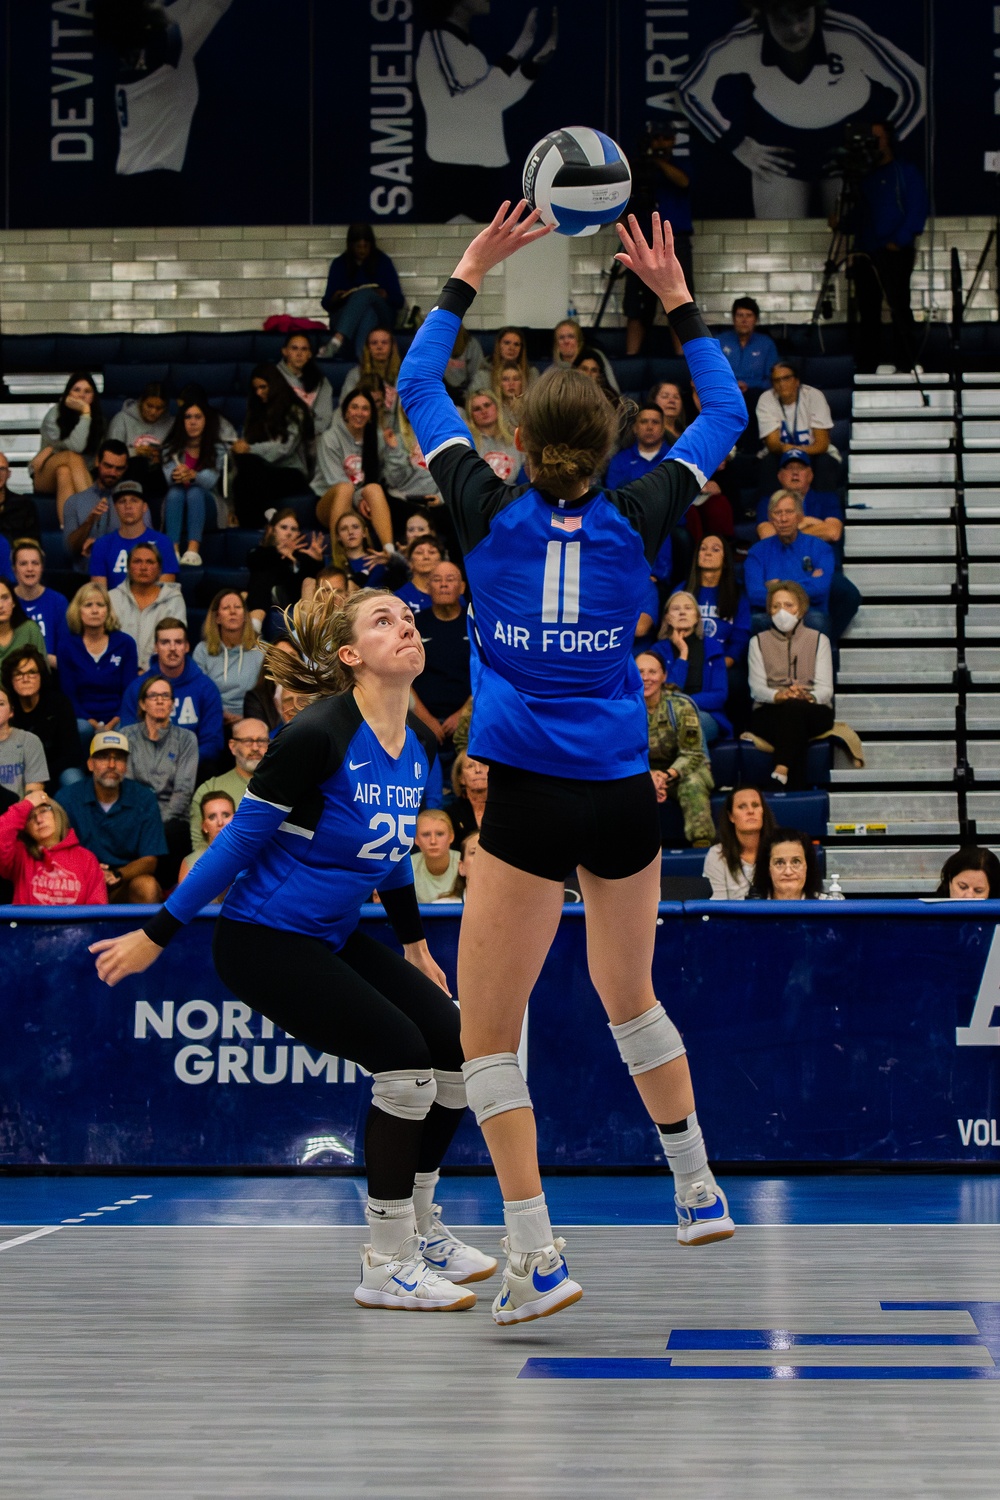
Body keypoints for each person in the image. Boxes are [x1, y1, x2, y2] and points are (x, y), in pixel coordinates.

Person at [397, 203, 746, 1322]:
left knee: (484, 1035)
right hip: (617, 796)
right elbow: (728, 408)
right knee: (628, 997)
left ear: (514, 440)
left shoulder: (482, 510)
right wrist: (675, 295)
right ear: (606, 447)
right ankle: (694, 1186)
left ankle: (538, 1254)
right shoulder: (641, 512)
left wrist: (467, 272)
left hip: (531, 799)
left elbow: (413, 391)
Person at [91, 587, 496, 1311]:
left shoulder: (423, 746)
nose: (405, 626)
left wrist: (414, 946)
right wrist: (159, 933)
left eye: (408, 619)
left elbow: (391, 852)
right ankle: (387, 1262)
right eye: (384, 621)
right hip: (263, 943)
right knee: (404, 1062)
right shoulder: (316, 734)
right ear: (350, 656)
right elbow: (239, 841)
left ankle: (425, 1230)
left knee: (452, 1045)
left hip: (335, 934)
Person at [679, 1, 925, 219]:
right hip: (780, 157)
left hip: (845, 154)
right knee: (776, 248)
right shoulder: (745, 39)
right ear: (764, 14)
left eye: (802, 15)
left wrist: (879, 149)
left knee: (852, 241)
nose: (797, 28)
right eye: (784, 18)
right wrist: (736, 144)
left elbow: (916, 84)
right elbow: (688, 92)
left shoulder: (844, 33)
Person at [93, 0, 233, 177]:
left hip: (138, 181)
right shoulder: (166, 49)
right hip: (152, 182)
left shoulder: (141, 47)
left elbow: (175, 13)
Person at [843, 120, 929, 374]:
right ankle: (868, 365)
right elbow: (859, 215)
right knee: (868, 312)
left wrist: (898, 241)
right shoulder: (864, 177)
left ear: (888, 140)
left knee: (899, 307)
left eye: (877, 139)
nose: (873, 145)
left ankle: (906, 363)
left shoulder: (904, 171)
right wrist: (843, 223)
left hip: (894, 252)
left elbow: (917, 208)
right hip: (865, 252)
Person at [757, 449, 860, 640]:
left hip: (822, 569)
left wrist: (789, 530)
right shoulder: (767, 502)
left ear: (810, 475)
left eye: (801, 468)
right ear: (780, 476)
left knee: (848, 594)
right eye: (789, 469)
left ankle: (824, 641)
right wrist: (810, 523)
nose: (795, 473)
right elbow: (767, 535)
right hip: (783, 570)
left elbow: (833, 532)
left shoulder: (827, 499)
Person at [57, 729, 165, 903]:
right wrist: (89, 870)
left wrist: (117, 874)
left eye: (119, 758)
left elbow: (150, 860)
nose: (112, 764)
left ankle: (143, 932)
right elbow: (55, 853)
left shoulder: (144, 798)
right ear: (90, 764)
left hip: (122, 881)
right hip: (78, 881)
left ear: (126, 765)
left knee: (148, 886)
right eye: (103, 757)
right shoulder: (67, 798)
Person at [748, 580, 834, 787]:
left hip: (812, 709)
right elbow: (756, 689)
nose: (782, 612)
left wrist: (809, 696)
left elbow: (825, 689)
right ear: (769, 610)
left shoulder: (819, 640)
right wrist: (779, 696)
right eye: (776, 606)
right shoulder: (757, 642)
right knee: (792, 716)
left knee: (795, 711)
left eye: (789, 605)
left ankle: (781, 769)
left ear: (801, 609)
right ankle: (798, 787)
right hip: (770, 710)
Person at [313, 388, 419, 550]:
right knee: (345, 488)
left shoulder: (376, 438)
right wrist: (359, 499)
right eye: (354, 407)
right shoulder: (330, 438)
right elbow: (334, 481)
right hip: (329, 502)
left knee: (374, 488)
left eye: (365, 408)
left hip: (361, 503)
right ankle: (338, 555)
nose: (359, 413)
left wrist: (393, 450)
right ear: (345, 412)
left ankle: (389, 552)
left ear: (370, 415)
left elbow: (389, 478)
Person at [625, 120, 694, 355]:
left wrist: (658, 163)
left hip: (675, 241)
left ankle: (680, 359)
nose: (661, 143)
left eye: (666, 138)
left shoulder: (679, 164)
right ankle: (631, 360)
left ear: (673, 140)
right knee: (636, 306)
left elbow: (684, 182)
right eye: (657, 139)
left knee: (678, 302)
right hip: (642, 243)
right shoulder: (639, 168)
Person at [119, 619, 225, 774]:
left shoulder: (206, 687)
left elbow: (213, 742)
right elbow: (128, 736)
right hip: (147, 767)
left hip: (192, 765)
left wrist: (180, 760)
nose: (172, 648)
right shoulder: (138, 688)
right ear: (156, 647)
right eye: (165, 642)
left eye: (178, 642)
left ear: (187, 646)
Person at [121, 674, 198, 882]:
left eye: (165, 696)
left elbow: (183, 790)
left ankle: (168, 890)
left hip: (171, 817)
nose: (160, 700)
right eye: (153, 695)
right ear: (142, 703)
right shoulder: (126, 736)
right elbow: (126, 786)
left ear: (172, 704)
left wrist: (156, 822)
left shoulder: (187, 739)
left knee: (174, 831)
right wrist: (145, 819)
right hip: (136, 812)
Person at [636, 651, 714, 847]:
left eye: (652, 672)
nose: (646, 678)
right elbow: (620, 754)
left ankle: (701, 846)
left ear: (664, 676)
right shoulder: (623, 707)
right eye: (640, 672)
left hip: (679, 771)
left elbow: (693, 753)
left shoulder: (681, 706)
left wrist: (664, 775)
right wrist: (649, 776)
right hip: (640, 774)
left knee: (694, 782)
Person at [745, 489, 835, 637]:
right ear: (770, 518)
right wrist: (804, 584)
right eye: (777, 513)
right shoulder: (757, 552)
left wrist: (777, 585)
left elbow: (820, 589)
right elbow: (755, 594)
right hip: (769, 617)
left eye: (789, 512)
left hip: (808, 615)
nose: (783, 518)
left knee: (817, 621)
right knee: (755, 622)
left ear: (800, 517)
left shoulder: (820, 548)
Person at [230, 366, 312, 528]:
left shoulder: (295, 410)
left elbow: (284, 448)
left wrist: (249, 449)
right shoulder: (255, 412)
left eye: (263, 387)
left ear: (274, 385)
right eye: (256, 389)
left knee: (249, 471)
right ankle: (260, 521)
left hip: (290, 472)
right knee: (243, 475)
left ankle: (258, 523)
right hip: (260, 471)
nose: (259, 393)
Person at [0, 789, 106, 907]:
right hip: (29, 925)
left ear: (57, 813)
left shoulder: (86, 858)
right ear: (25, 829)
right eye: (30, 817)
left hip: (75, 926)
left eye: (44, 811)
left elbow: (97, 910)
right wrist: (26, 805)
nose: (39, 820)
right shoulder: (20, 856)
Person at [61, 582, 140, 738]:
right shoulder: (67, 646)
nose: (95, 610)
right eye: (88, 605)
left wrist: (112, 724)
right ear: (78, 610)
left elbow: (130, 692)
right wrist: (93, 724)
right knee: (81, 729)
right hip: (82, 717)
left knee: (125, 729)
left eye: (100, 605)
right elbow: (69, 696)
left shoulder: (125, 643)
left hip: (118, 717)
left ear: (108, 610)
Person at [652, 591, 731, 743]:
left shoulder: (713, 648)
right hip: (667, 715)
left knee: (691, 724)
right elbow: (666, 693)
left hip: (705, 714)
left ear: (697, 617)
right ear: (668, 618)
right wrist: (683, 654)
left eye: (688, 608)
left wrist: (684, 702)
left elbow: (720, 695)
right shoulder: (658, 651)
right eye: (675, 609)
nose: (682, 612)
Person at [409, 563, 471, 756]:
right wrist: (424, 719)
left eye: (450, 579)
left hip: (470, 723)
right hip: (418, 724)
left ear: (462, 587)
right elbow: (400, 676)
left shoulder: (476, 624)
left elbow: (487, 673)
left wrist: (464, 714)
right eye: (437, 580)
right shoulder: (412, 625)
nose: (443, 585)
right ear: (427, 587)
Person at [2, 647, 84, 791]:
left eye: (32, 673)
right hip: (16, 771)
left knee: (72, 776)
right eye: (18, 674)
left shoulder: (59, 703)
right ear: (10, 679)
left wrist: (40, 774)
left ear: (41, 676)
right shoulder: (5, 707)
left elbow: (73, 754)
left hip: (54, 771)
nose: (26, 679)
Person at [30, 372, 106, 524]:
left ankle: (69, 531)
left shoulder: (99, 421)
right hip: (44, 472)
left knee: (64, 472)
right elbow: (76, 447)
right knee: (72, 457)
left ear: (93, 396)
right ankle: (95, 519)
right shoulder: (54, 415)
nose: (81, 395)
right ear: (67, 393)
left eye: (87, 391)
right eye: (76, 390)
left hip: (78, 473)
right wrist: (85, 413)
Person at [322, 223, 404, 361]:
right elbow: (326, 303)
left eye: (366, 246)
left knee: (366, 293)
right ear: (351, 246)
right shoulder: (339, 264)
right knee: (368, 312)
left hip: (382, 317)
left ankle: (337, 340)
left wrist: (386, 296)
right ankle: (363, 362)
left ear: (371, 245)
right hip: (345, 318)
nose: (362, 250)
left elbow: (399, 301)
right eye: (358, 247)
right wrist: (335, 298)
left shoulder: (383, 262)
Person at [187, 718, 270, 855]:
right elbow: (200, 849)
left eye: (261, 741)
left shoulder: (285, 786)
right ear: (232, 746)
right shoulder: (210, 788)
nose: (255, 748)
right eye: (248, 741)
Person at [756, 362, 840, 493]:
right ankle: (767, 510)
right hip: (780, 454)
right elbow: (773, 444)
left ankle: (827, 510)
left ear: (796, 381)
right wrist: (789, 451)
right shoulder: (766, 399)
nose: (781, 383)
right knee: (768, 462)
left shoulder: (813, 396)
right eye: (776, 380)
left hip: (814, 453)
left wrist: (797, 450)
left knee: (825, 462)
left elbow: (822, 444)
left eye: (786, 378)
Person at [160, 399, 225, 565]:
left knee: (194, 491)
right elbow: (167, 478)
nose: (193, 422)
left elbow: (211, 480)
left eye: (198, 417)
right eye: (188, 417)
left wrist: (193, 476)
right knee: (175, 491)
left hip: (209, 504)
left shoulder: (218, 448)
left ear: (206, 421)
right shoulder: (170, 447)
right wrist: (177, 475)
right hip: (177, 501)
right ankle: (172, 551)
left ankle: (193, 550)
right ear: (182, 422)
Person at [109, 542, 188, 672]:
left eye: (150, 562)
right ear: (128, 567)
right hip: (116, 673)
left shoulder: (174, 601)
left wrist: (148, 672)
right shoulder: (112, 598)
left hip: (159, 675)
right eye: (137, 561)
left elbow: (175, 644)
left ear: (159, 569)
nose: (143, 567)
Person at [193, 591, 265, 729]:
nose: (232, 612)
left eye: (238, 607)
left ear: (245, 616)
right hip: (212, 719)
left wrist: (247, 718)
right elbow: (199, 692)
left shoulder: (261, 651)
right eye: (226, 608)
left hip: (252, 721)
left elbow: (267, 697)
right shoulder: (202, 651)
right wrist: (219, 713)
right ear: (217, 618)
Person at [89, 481, 179, 589]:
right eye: (122, 501)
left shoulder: (163, 542)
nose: (128, 506)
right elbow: (100, 594)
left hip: (154, 605)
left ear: (144, 507)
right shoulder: (102, 544)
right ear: (115, 508)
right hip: (114, 605)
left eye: (134, 500)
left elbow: (166, 591)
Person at [246, 510, 324, 632]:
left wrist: (317, 561)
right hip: (265, 597)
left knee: (309, 581)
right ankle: (255, 624)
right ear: (272, 530)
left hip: (295, 601)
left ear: (298, 533)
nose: (288, 533)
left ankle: (307, 631)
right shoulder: (262, 552)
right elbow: (254, 562)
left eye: (293, 529)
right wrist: (277, 553)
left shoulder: (302, 556)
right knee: (263, 575)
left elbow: (312, 583)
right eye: (284, 527)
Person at [680, 534, 752, 667]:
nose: (707, 553)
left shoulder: (737, 593)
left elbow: (740, 637)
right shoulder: (682, 590)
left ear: (725, 560)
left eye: (715, 549)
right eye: (703, 549)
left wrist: (724, 664)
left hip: (722, 662)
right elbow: (670, 631)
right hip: (686, 661)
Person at [62, 440, 130, 574]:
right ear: (97, 462)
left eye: (119, 468)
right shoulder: (75, 501)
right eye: (108, 466)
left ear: (126, 468)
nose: (112, 472)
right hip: (84, 580)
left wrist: (101, 546)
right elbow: (69, 550)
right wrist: (89, 521)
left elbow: (145, 545)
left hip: (122, 579)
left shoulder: (134, 502)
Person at [703, 785, 777, 899]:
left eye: (755, 805)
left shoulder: (780, 849)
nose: (751, 811)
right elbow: (716, 907)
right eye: (742, 806)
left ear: (763, 811)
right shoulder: (717, 854)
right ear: (731, 816)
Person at [108, 381, 173, 502]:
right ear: (141, 402)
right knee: (139, 462)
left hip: (157, 475)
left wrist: (160, 457)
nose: (153, 412)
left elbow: (174, 453)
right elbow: (111, 453)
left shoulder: (170, 424)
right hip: (129, 472)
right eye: (149, 406)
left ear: (165, 408)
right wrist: (135, 452)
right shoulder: (122, 419)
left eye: (159, 408)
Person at [11, 538, 68, 666]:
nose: (30, 568)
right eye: (23, 563)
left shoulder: (58, 602)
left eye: (35, 563)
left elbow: (66, 655)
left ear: (42, 567)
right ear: (14, 569)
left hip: (50, 674)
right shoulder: (6, 600)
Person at [340, 328, 403, 432]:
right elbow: (345, 407)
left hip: (395, 434)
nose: (379, 347)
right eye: (374, 343)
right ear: (368, 348)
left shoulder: (403, 376)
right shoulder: (355, 375)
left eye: (384, 342)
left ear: (392, 347)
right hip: (361, 432)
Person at [178, 789, 236, 895]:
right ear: (204, 826)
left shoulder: (252, 859)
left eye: (226, 815)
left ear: (236, 820)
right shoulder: (191, 863)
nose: (220, 822)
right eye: (212, 817)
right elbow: (183, 906)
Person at [717, 297, 780, 393]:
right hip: (724, 391)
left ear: (756, 320)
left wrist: (749, 385)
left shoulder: (766, 344)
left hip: (756, 393)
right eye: (740, 315)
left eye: (749, 315)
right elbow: (711, 373)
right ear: (733, 319)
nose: (744, 320)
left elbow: (773, 378)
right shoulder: (719, 341)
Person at [277, 333, 335, 436]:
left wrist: (305, 433)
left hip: (311, 437)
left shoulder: (320, 381)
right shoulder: (271, 376)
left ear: (310, 354)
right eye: (294, 348)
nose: (299, 354)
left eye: (304, 349)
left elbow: (324, 418)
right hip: (280, 435)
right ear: (284, 351)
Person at [0, 683, 49, 799]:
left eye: (0, 704)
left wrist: (13, 816)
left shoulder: (29, 741)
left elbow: (34, 793)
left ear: (11, 712)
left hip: (21, 813)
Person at [749, 826, 824, 900]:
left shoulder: (827, 907)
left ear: (807, 866)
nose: (788, 872)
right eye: (779, 863)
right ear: (768, 869)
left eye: (796, 862)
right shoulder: (750, 909)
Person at [464, 391, 521, 485]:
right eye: (477, 409)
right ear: (471, 415)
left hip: (514, 495)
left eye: (487, 405)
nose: (484, 411)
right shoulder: (468, 443)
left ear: (497, 407)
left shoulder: (515, 437)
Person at [551, 319, 619, 391]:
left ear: (579, 340)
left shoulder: (595, 357)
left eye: (571, 336)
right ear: (556, 344)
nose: (566, 341)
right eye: (561, 338)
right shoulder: (552, 371)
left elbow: (613, 389)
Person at [411, 807, 461, 903]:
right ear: (416, 839)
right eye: (426, 834)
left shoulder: (465, 863)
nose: (433, 841)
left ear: (451, 836)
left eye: (440, 834)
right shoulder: (408, 867)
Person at [473, 326, 539, 396]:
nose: (511, 348)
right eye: (507, 343)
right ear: (498, 345)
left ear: (521, 349)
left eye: (516, 344)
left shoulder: (532, 373)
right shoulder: (483, 375)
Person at [0, 578, 46, 673]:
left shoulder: (30, 629)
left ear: (13, 602)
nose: (0, 605)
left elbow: (43, 672)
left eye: (5, 598)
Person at [447, 750, 487, 849]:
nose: (478, 770)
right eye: (470, 766)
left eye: (483, 764)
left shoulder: (504, 810)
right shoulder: (451, 813)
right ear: (461, 778)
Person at [395, 535, 444, 615]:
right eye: (419, 552)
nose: (426, 557)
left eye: (432, 552)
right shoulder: (399, 598)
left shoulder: (452, 593)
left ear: (441, 561)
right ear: (409, 562)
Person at [0, 453, 40, 541]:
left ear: (8, 474)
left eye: (1, 469)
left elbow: (31, 540)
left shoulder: (23, 504)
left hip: (15, 550)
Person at [934, 847, 1000, 901]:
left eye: (978, 891)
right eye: (962, 887)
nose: (969, 896)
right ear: (949, 880)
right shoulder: (930, 913)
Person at [442, 326, 486, 403]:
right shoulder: (433, 345)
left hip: (466, 394)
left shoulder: (472, 345)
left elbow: (477, 376)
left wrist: (467, 396)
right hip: (442, 393)